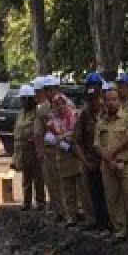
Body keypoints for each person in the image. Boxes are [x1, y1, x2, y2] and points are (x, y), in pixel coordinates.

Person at [96, 86, 128, 243]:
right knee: (113, 199)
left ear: (119, 101)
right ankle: (120, 232)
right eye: (108, 100)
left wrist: (113, 155)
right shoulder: (101, 121)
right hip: (108, 166)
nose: (111, 103)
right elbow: (97, 145)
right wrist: (109, 160)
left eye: (114, 99)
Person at [74, 72, 111, 232]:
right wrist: (85, 162)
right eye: (91, 97)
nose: (94, 100)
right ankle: (99, 224)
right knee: (94, 196)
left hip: (109, 161)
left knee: (111, 196)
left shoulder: (110, 112)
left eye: (96, 95)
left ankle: (115, 226)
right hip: (91, 163)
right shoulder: (84, 116)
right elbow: (76, 142)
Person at [43, 79, 82, 226]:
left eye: (62, 104)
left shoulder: (73, 116)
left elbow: (76, 133)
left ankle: (82, 213)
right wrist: (57, 138)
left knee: (80, 187)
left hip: (75, 155)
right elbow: (50, 137)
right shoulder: (53, 120)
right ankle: (71, 216)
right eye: (56, 105)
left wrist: (63, 136)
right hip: (62, 156)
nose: (59, 107)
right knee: (66, 189)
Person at [11, 84, 46, 211]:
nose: (21, 102)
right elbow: (17, 133)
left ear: (28, 99)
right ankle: (27, 202)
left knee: (38, 177)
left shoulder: (37, 113)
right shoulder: (20, 113)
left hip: (34, 149)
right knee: (26, 178)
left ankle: (41, 202)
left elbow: (37, 132)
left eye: (22, 99)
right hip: (22, 151)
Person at [33, 75, 62, 218]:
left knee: (66, 182)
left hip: (65, 150)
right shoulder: (42, 110)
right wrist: (40, 152)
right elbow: (38, 133)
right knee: (51, 181)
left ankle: (68, 211)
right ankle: (58, 210)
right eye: (48, 90)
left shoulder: (65, 105)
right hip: (49, 151)